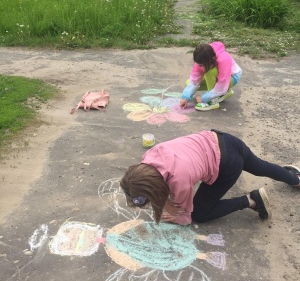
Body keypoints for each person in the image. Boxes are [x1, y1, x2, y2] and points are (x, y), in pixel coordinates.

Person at [120, 130, 300, 226]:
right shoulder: (149, 157)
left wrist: (175, 214)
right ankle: (295, 178)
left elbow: (185, 216)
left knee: (199, 213)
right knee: (261, 167)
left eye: (146, 198)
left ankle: (252, 200)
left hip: (227, 165)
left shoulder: (179, 181)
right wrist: (162, 199)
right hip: (224, 139)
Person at [180, 42, 242, 111]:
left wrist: (204, 98)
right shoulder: (202, 58)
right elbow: (194, 81)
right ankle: (225, 92)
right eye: (199, 65)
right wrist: (186, 97)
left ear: (211, 59)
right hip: (219, 78)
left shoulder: (223, 59)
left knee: (209, 71)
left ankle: (212, 102)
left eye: (202, 65)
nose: (201, 68)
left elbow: (222, 84)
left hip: (232, 77)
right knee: (188, 83)